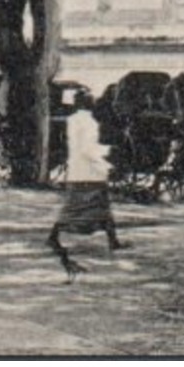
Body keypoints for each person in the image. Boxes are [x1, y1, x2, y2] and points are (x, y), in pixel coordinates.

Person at [46, 93, 126, 281]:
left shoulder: (73, 120)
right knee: (93, 205)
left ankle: (112, 240)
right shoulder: (90, 122)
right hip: (90, 171)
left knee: (89, 205)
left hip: (77, 169)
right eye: (91, 99)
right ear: (88, 103)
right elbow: (88, 149)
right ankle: (55, 236)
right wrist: (107, 156)